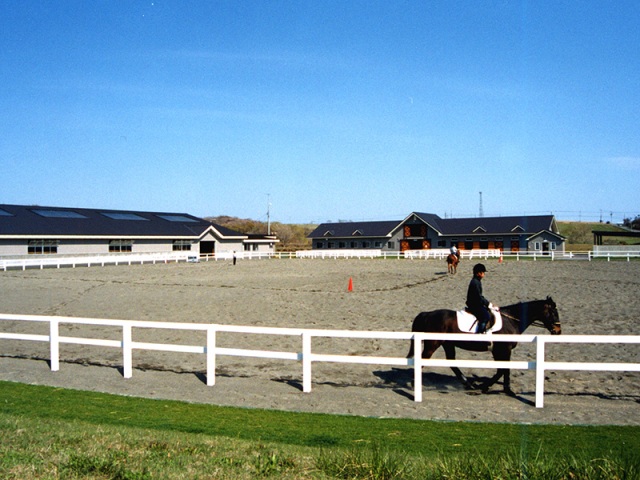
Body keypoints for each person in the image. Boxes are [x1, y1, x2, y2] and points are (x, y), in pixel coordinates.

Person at [466, 263, 491, 333]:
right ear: (478, 273)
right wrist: (488, 304)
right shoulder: (475, 282)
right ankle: (480, 333)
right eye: (482, 272)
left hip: (475, 303)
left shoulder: (477, 281)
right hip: (474, 305)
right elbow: (479, 297)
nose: (484, 274)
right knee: (486, 316)